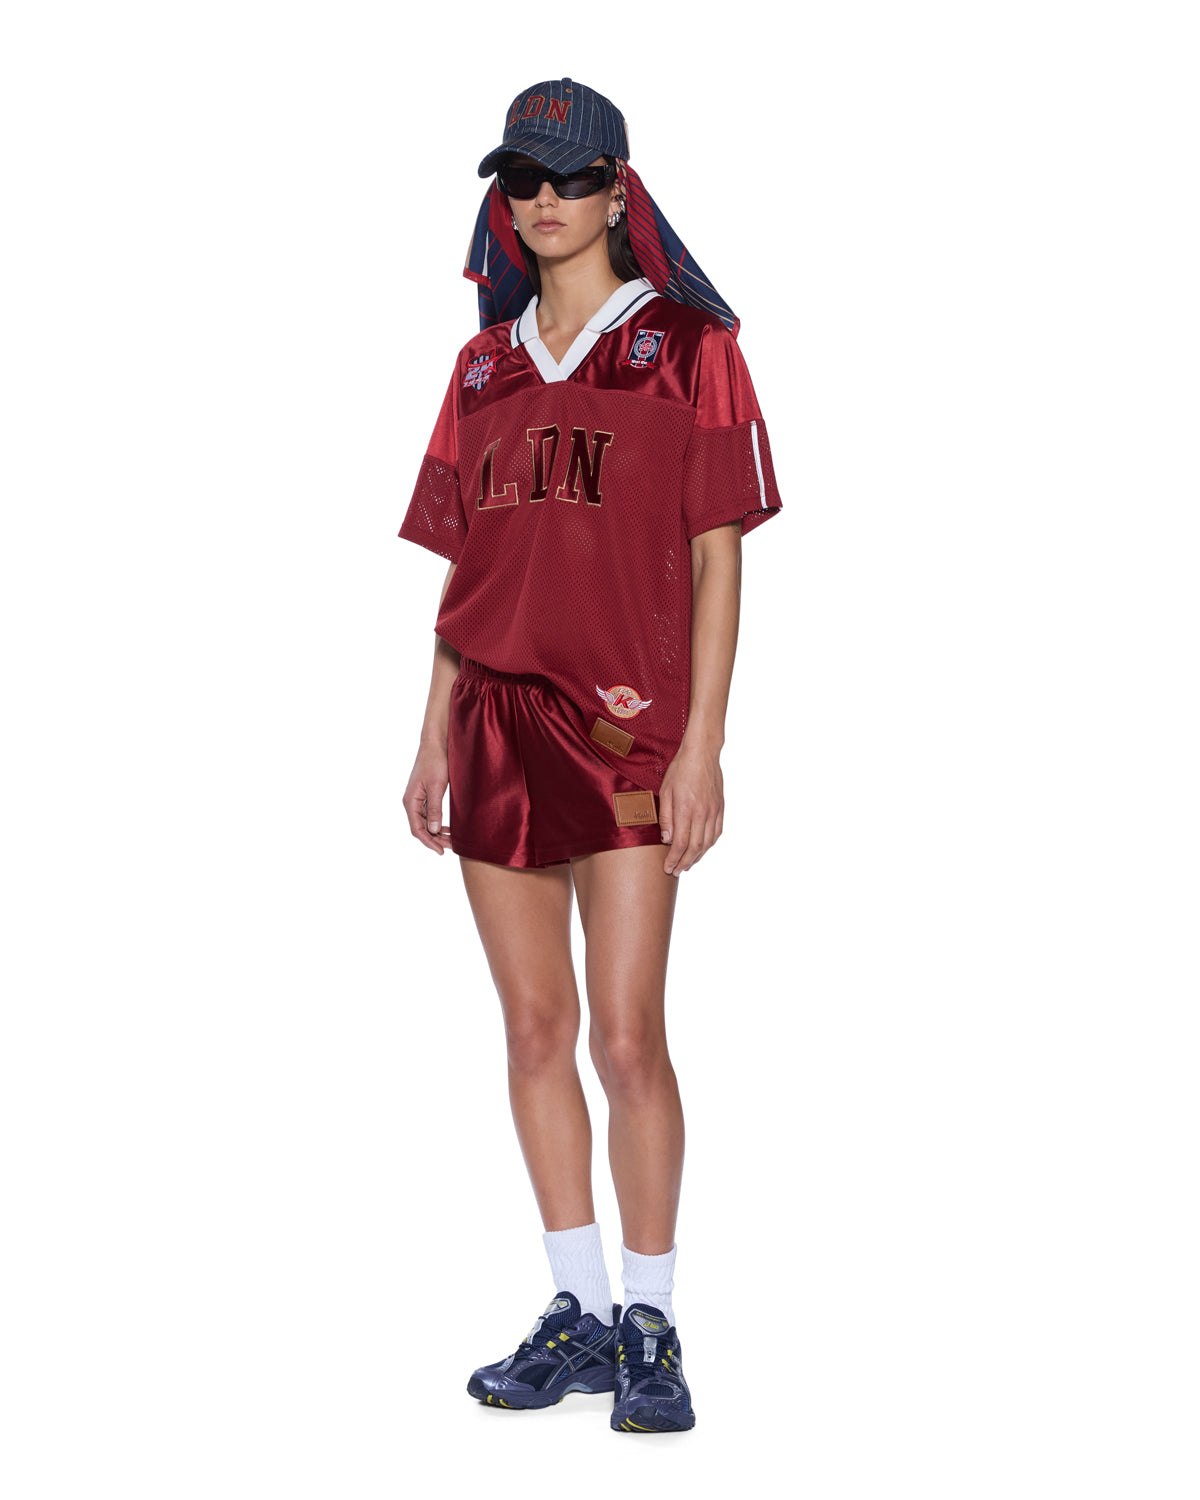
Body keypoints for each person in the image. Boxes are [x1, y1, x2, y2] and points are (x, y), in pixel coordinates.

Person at [398, 77, 782, 1433]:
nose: (546, 199)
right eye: (523, 178)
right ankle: (576, 1307)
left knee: (626, 1034)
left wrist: (704, 744)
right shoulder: (481, 369)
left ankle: (654, 1321)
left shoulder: (686, 347)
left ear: (620, 190)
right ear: (503, 200)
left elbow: (716, 552)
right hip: (493, 719)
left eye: (570, 176)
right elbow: (467, 567)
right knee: (534, 1028)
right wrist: (430, 733)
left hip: (627, 725)